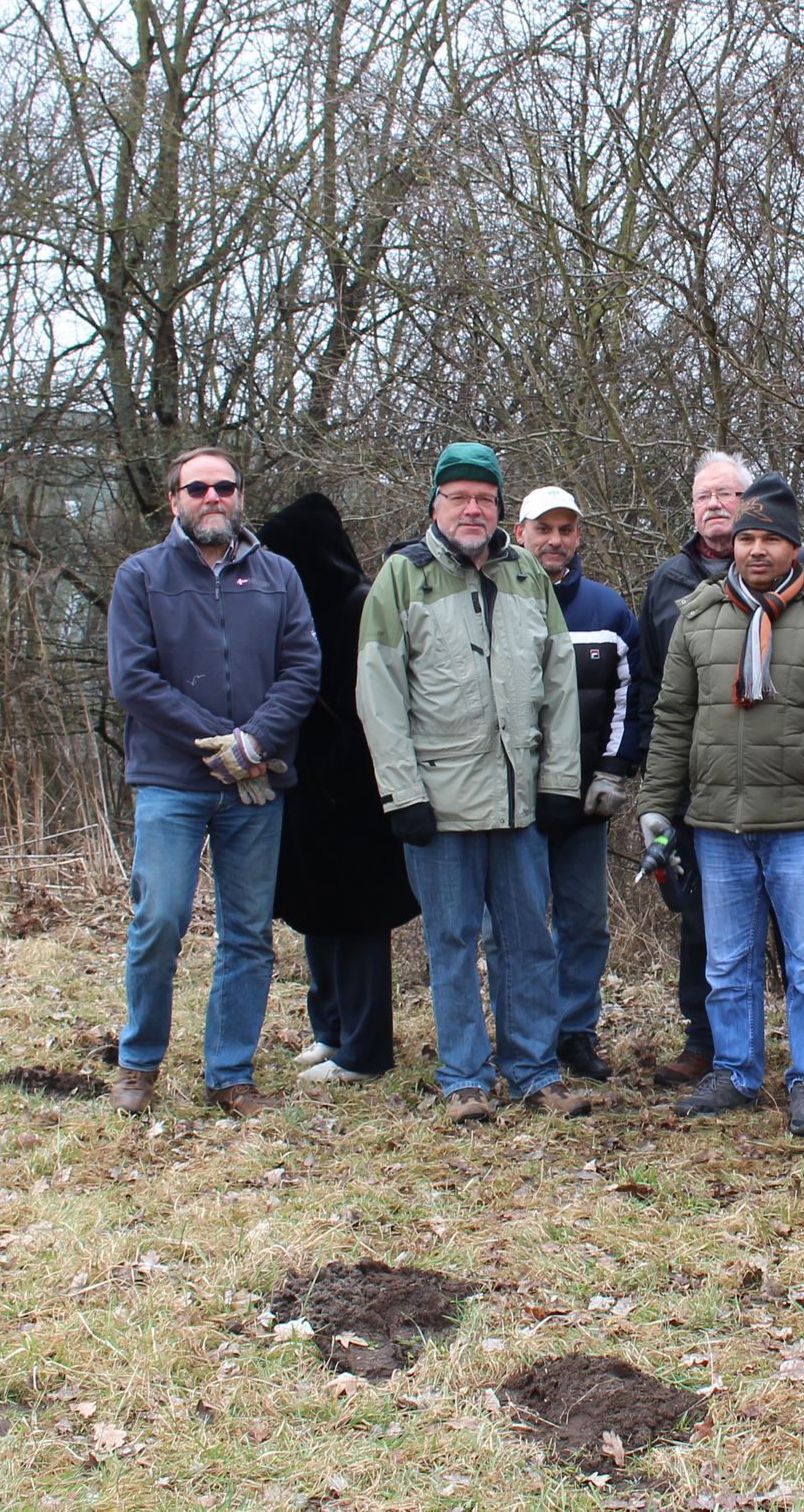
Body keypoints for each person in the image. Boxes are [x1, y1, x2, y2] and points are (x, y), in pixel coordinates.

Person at [638, 474, 804, 1138]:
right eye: (746, 538)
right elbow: (672, 720)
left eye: (769, 539)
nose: (755, 550)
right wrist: (656, 810)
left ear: (793, 547)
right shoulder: (698, 615)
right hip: (718, 821)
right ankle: (737, 1073)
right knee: (726, 960)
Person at [355, 443, 587, 1123]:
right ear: (435, 505)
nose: (472, 509)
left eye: (484, 499)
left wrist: (561, 782)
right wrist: (402, 794)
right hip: (439, 802)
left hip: (520, 802)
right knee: (451, 943)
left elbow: (560, 685)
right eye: (459, 497)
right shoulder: (403, 578)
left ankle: (535, 1070)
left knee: (528, 941)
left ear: (500, 510)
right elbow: (379, 690)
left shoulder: (526, 577)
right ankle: (464, 1078)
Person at [106, 446, 320, 1117]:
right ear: (173, 500)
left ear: (239, 496)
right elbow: (134, 680)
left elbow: (303, 670)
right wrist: (216, 742)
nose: (213, 497)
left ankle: (230, 1073)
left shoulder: (279, 575)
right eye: (197, 488)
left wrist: (252, 743)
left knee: (249, 933)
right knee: (160, 918)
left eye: (224, 486)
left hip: (255, 783)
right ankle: (138, 1063)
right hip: (172, 782)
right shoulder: (140, 576)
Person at [256, 492, 420, 1085]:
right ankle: (329, 1030)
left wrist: (337, 770)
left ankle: (364, 1046)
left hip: (357, 791)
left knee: (357, 921)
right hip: (305, 787)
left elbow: (375, 704)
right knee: (316, 916)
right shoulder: (292, 607)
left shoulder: (358, 606)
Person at [511, 485, 650, 1082]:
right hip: (513, 801)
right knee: (518, 928)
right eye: (544, 529)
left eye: (566, 529)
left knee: (585, 922)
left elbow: (632, 698)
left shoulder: (607, 610)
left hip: (584, 802)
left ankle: (574, 1032)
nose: (555, 540)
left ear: (579, 536)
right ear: (520, 533)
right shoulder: (497, 597)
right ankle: (524, 1036)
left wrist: (614, 771)